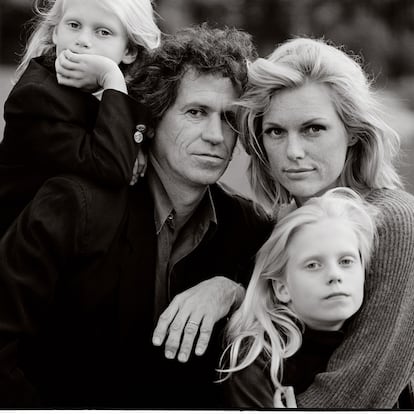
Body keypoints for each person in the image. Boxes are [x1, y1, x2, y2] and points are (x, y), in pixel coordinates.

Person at [0, 24, 271, 408]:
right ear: (152, 119)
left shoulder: (249, 228)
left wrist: (234, 290)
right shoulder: (73, 205)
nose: (216, 135)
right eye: (196, 112)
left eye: (229, 119)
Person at [225, 36, 414, 408]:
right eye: (276, 132)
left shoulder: (396, 221)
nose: (293, 152)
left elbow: (361, 390)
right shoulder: (276, 227)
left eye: (313, 128)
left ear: (353, 134)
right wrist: (228, 290)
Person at [0, 0, 161, 236]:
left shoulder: (111, 96)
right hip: (20, 246)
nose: (83, 40)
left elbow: (138, 128)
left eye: (103, 32)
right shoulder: (36, 97)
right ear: (55, 32)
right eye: (74, 25)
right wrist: (111, 76)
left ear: (129, 51)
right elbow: (112, 168)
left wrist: (138, 144)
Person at [221, 187, 378, 407]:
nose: (335, 275)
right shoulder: (257, 362)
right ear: (282, 288)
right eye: (313, 265)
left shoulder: (377, 342)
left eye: (346, 261)